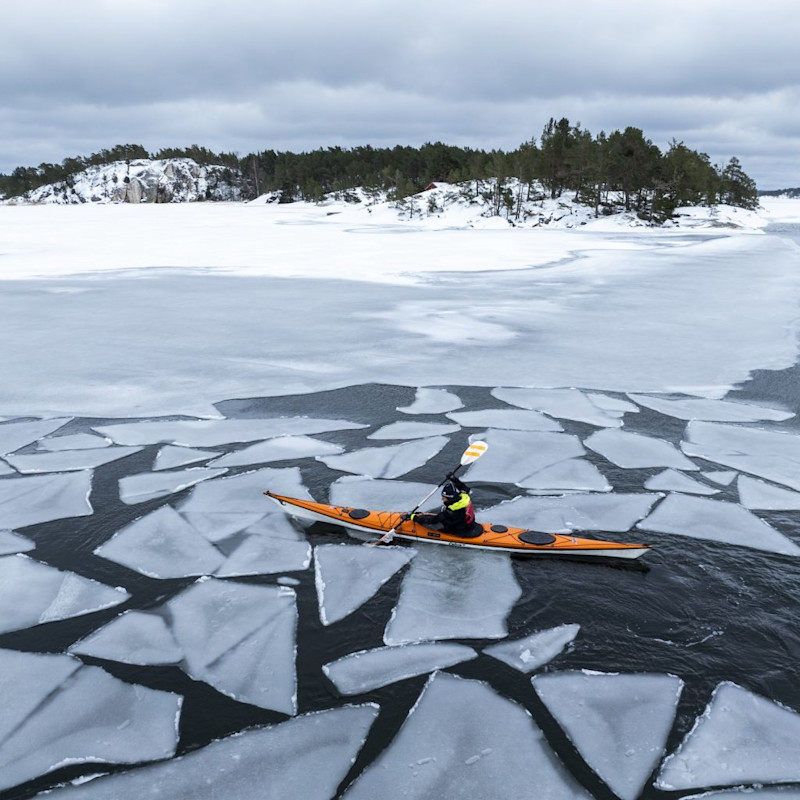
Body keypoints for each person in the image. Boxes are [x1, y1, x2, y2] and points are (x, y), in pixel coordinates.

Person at [404, 473, 477, 537]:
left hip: (460, 529)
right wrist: (453, 479)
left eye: (444, 498)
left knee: (432, 525)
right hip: (466, 522)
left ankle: (418, 518)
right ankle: (423, 515)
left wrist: (414, 517)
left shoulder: (450, 512)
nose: (442, 499)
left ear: (450, 498)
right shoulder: (463, 497)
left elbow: (433, 520)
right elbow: (464, 487)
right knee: (439, 511)